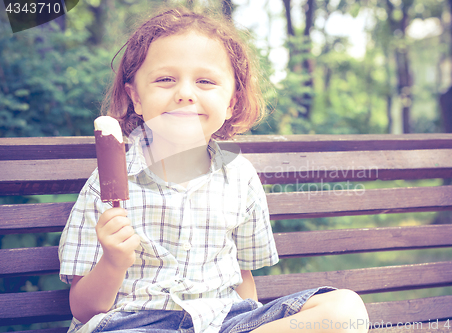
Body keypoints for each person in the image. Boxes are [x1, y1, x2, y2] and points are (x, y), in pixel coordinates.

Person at [58, 6, 369, 333]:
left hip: (223, 320)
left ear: (232, 101)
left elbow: (244, 279)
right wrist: (113, 262)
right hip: (134, 322)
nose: (185, 93)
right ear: (135, 96)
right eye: (165, 79)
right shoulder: (104, 186)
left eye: (205, 81)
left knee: (344, 310)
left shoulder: (240, 176)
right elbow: (83, 308)